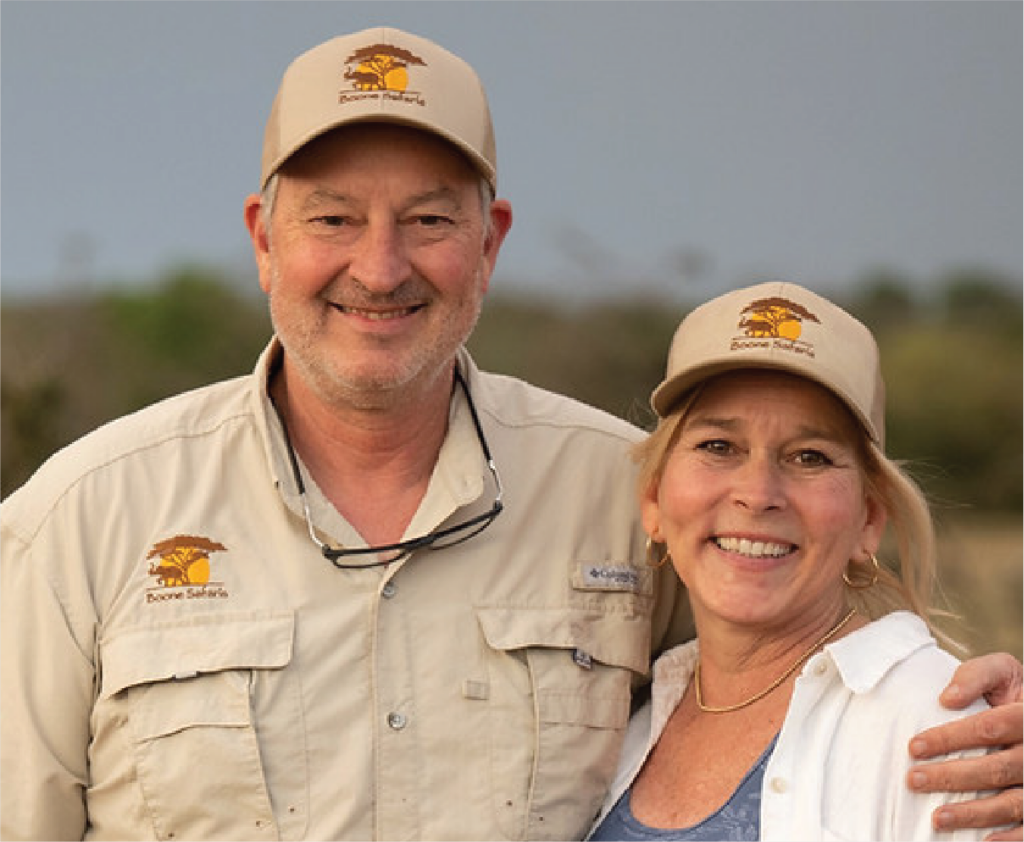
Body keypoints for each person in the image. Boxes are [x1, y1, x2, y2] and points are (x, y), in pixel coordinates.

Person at [0, 25, 1020, 842]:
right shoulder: (81, 516)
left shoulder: (622, 492)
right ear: (264, 240)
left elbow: (797, 651)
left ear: (489, 244)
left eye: (431, 221)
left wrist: (986, 708)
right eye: (333, 219)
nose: (382, 265)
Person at [589, 281, 1015, 841]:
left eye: (809, 456)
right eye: (719, 446)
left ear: (869, 519)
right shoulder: (629, 712)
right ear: (654, 503)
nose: (758, 492)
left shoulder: (940, 729)